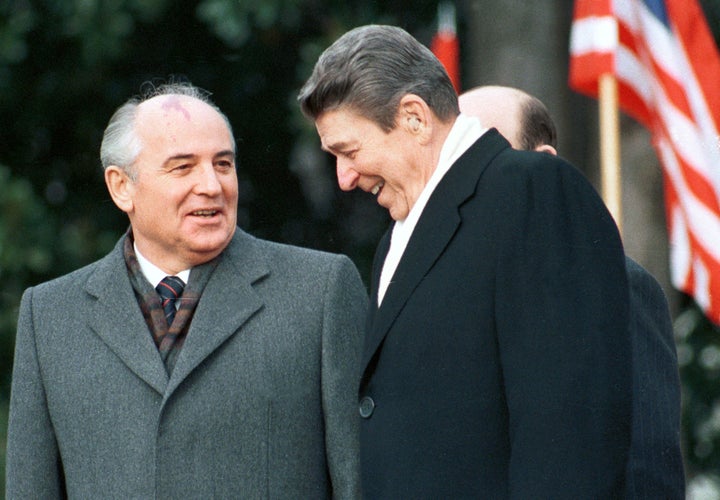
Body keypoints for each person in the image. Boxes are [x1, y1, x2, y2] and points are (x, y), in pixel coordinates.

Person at [299, 25, 634, 498]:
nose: (345, 177)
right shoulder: (394, 241)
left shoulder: (531, 191)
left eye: (348, 151)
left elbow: (572, 430)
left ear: (414, 117)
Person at [5, 82, 367, 498]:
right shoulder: (50, 316)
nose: (212, 186)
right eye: (183, 167)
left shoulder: (319, 292)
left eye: (223, 164)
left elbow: (358, 479)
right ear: (121, 186)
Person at [459, 84, 685, 499]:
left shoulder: (616, 286)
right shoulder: (436, 292)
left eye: (481, 154)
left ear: (541, 165)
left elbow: (647, 466)